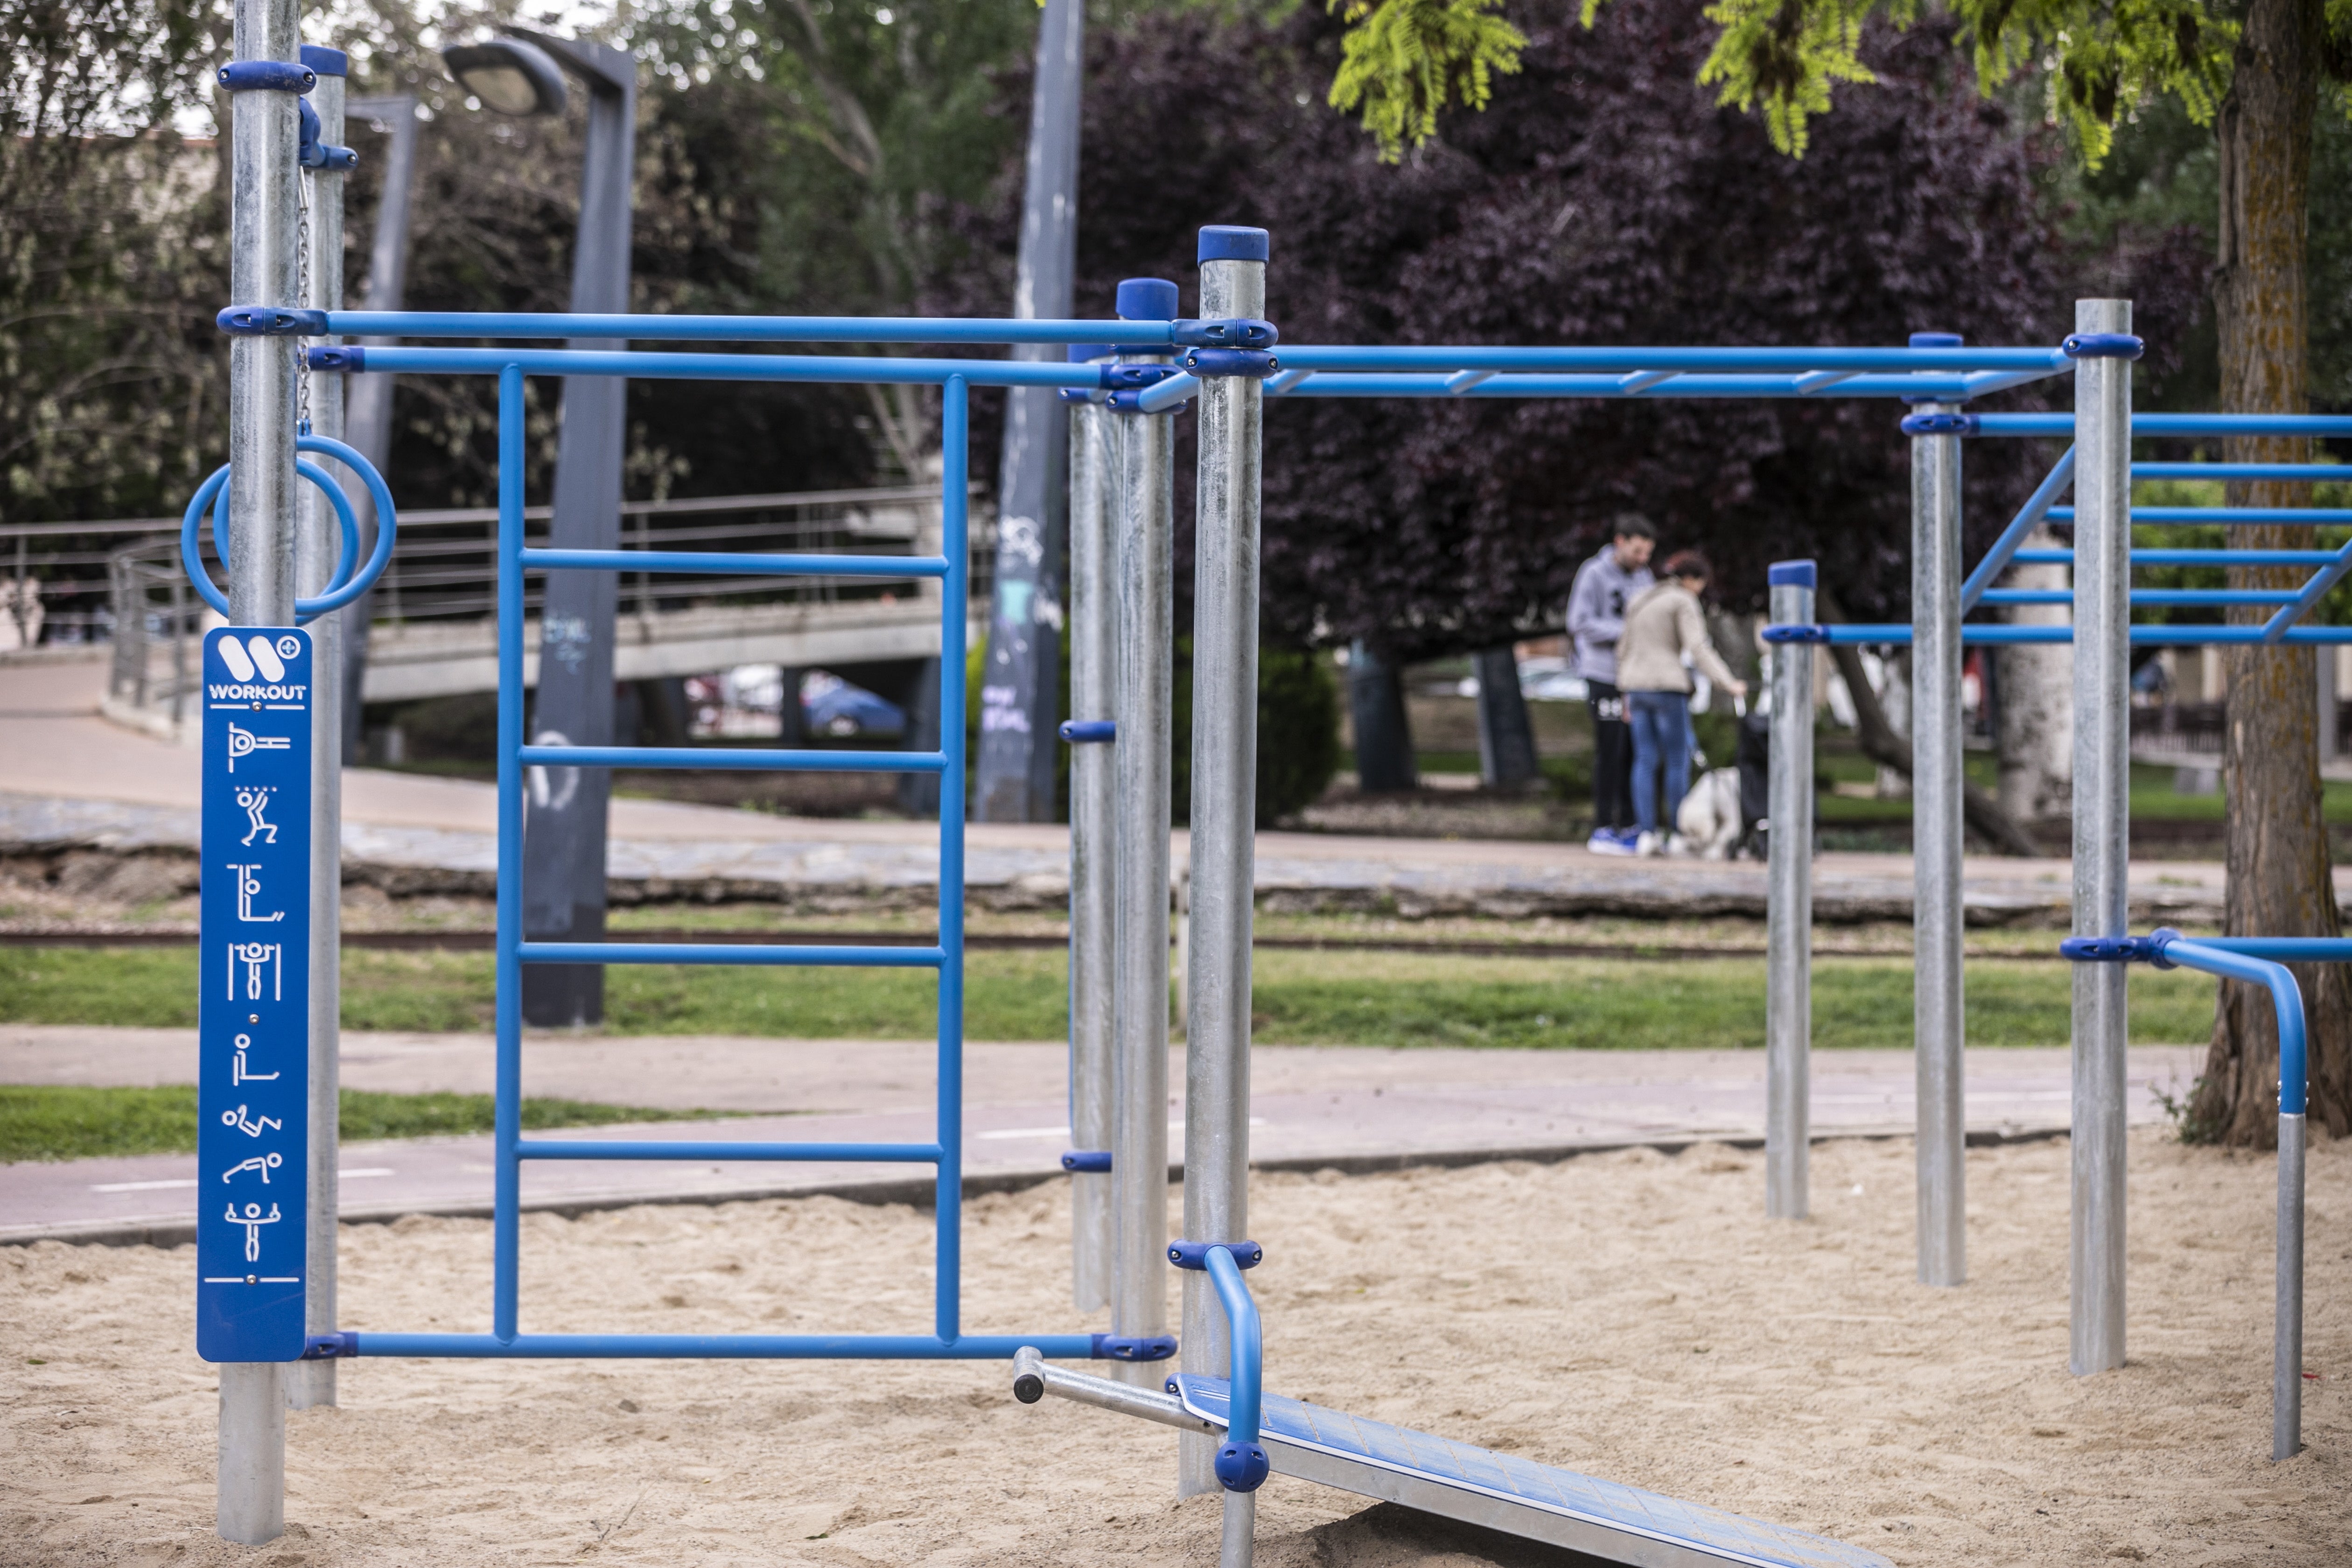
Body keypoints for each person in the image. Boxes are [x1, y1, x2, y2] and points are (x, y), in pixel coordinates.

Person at [1617, 550, 1746, 856]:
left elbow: (1623, 648)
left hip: (1635, 687)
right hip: (1667, 686)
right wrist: (1727, 682)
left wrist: (1625, 691)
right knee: (1677, 760)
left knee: (1645, 760)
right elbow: (1698, 648)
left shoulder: (1641, 599)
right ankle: (1677, 833)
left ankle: (1646, 833)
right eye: (1701, 583)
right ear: (1692, 579)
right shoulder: (1683, 601)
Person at [1565, 514, 1655, 854]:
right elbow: (1579, 622)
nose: (1643, 560)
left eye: (1648, 553)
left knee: (1635, 751)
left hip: (1635, 677)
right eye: (1637, 551)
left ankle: (1632, 825)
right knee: (1610, 749)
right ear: (1620, 542)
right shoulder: (1594, 573)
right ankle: (1603, 827)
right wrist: (1625, 633)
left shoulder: (1645, 578)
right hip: (1603, 674)